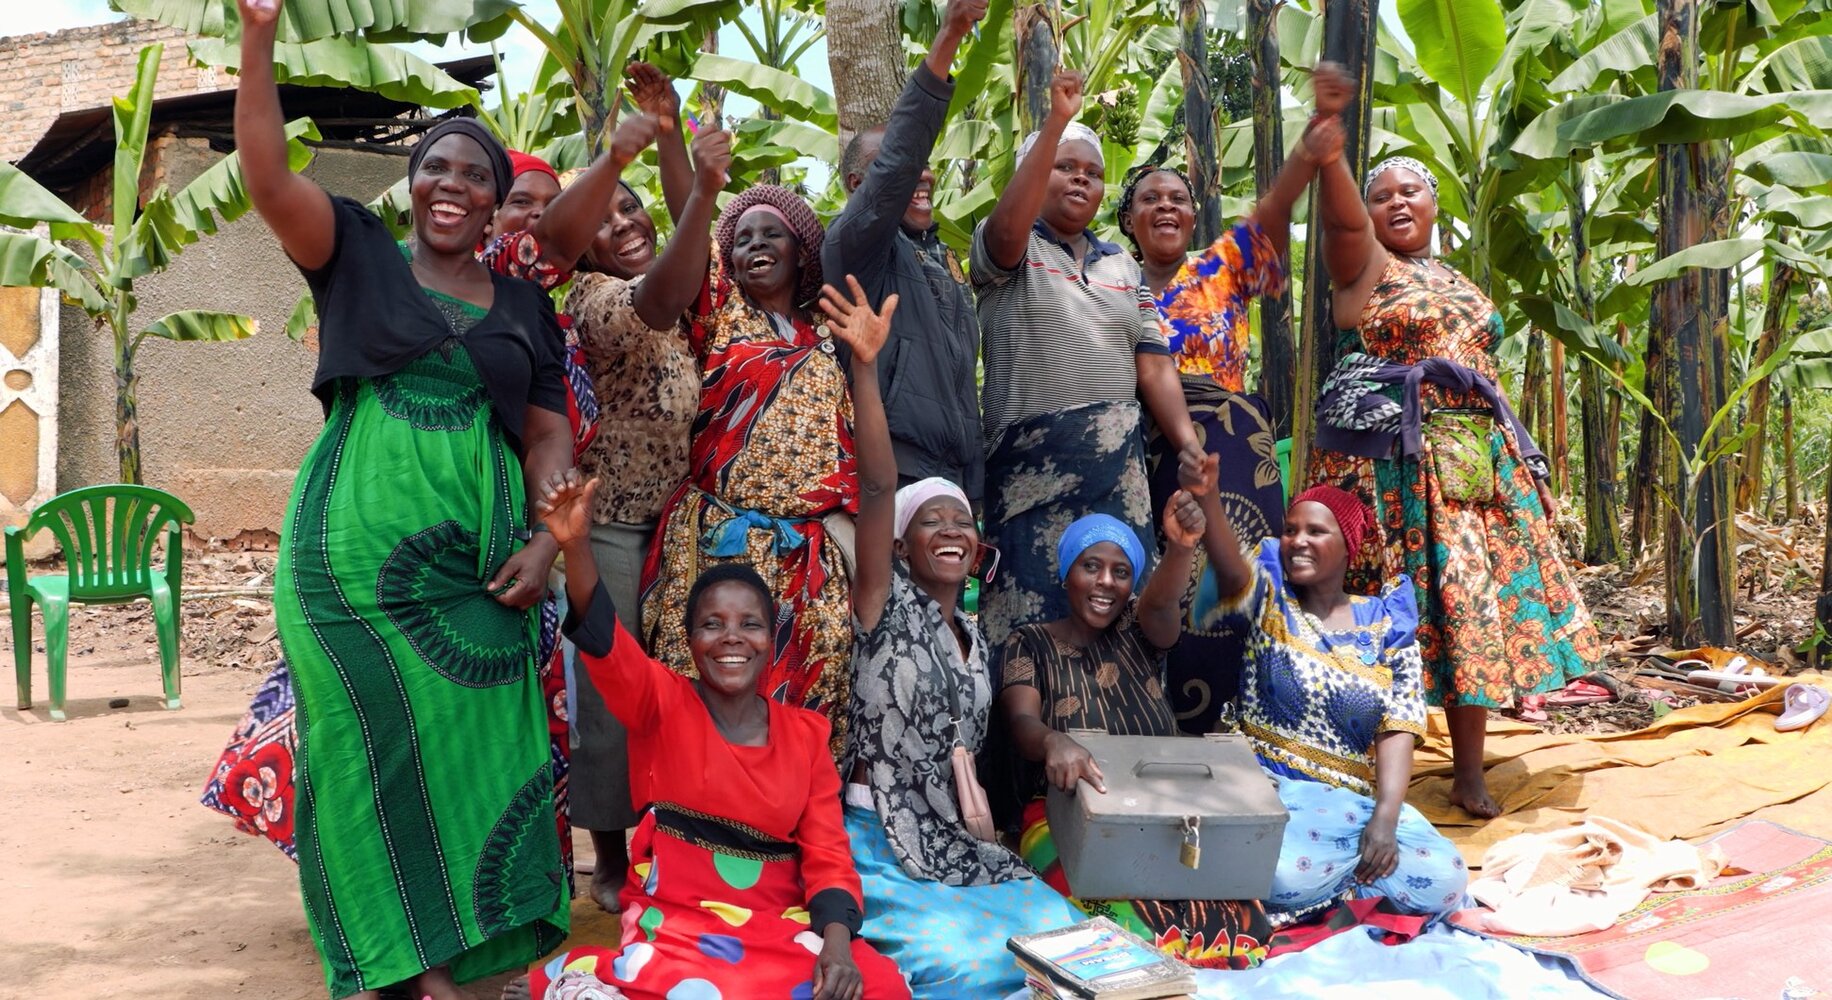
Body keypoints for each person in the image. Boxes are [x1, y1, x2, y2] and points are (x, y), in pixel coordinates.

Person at [236, 0, 573, 995]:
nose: (452, 184)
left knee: (484, 752)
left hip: (482, 572)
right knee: (361, 752)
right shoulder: (353, 253)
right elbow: (265, 176)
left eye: (475, 174)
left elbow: (547, 432)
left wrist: (549, 541)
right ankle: (399, 967)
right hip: (349, 565)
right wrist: (258, 38)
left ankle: (459, 957)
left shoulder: (526, 308)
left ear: (497, 200)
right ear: (412, 184)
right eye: (436, 167)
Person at [523, 278, 912, 1000]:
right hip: (680, 919)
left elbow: (828, 857)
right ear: (689, 637)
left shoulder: (805, 737)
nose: (731, 640)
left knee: (884, 985)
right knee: (695, 986)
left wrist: (837, 949)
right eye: (712, 624)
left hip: (776, 922)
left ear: (771, 638)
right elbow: (604, 639)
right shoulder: (661, 702)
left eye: (748, 625)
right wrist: (574, 547)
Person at [1302, 64, 1602, 818]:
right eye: (1382, 196)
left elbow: (1483, 372)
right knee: (1374, 607)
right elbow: (1341, 228)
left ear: (1436, 205)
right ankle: (1349, 757)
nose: (1396, 203)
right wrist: (1332, 152)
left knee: (1469, 604)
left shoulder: (1455, 277)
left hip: (1471, 461)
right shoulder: (1366, 267)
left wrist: (1521, 461)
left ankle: (1469, 771)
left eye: (1411, 191)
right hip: (1390, 466)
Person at [836, 275, 1083, 995]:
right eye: (931, 522)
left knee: (1064, 941)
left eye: (962, 522)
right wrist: (866, 368)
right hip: (878, 840)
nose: (951, 530)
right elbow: (877, 488)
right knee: (970, 965)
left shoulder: (977, 637)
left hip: (950, 838)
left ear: (978, 550)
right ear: (901, 546)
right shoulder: (881, 606)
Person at [544, 65, 734, 916]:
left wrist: (670, 133)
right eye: (604, 217)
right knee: (613, 692)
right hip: (614, 526)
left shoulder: (687, 294)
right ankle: (611, 856)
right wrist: (702, 192)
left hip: (677, 524)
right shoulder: (593, 299)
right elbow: (661, 296)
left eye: (633, 210)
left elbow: (688, 263)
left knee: (677, 685)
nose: (623, 223)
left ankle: (676, 836)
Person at [1115, 114, 1346, 732]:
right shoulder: (1110, 282)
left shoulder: (1219, 268)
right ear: (1128, 220)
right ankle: (1161, 723)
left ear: (1194, 217)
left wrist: (1308, 152)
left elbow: (1272, 214)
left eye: (1177, 198)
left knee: (1241, 581)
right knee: (1161, 576)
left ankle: (1255, 722)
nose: (1166, 207)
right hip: (1149, 454)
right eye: (1149, 199)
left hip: (1236, 453)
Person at [971, 67, 1204, 647]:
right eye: (1064, 167)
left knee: (1119, 615)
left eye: (1093, 173)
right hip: (1028, 473)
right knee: (1027, 621)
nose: (1081, 179)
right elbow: (1008, 229)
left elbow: (1152, 361)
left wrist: (1188, 444)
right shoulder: (1007, 245)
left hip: (1116, 474)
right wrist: (1057, 121)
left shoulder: (1122, 266)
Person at [1183, 450, 1469, 917]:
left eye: (1316, 531)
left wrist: (1384, 819)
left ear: (1348, 545)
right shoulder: (1271, 596)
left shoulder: (1388, 623)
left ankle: (1328, 890)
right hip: (1266, 789)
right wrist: (1208, 496)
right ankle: (1344, 892)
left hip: (1349, 807)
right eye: (1290, 530)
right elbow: (1230, 569)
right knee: (1280, 871)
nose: (1298, 541)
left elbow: (1398, 727)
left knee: (1446, 876)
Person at [995, 506, 1273, 968]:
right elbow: (1021, 721)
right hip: (1062, 810)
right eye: (1091, 566)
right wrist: (1051, 741)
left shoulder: (1138, 630)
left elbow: (1161, 604)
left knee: (1232, 915)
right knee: (1118, 919)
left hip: (1160, 808)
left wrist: (1181, 547)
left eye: (1121, 572)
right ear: (1066, 573)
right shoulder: (1029, 642)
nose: (1106, 582)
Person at [640, 184, 860, 757]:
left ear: (802, 252)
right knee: (707, 693)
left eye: (771, 234)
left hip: (806, 555)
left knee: (810, 694)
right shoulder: (722, 312)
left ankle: (793, 811)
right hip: (720, 542)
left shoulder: (829, 335)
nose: (756, 245)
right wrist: (700, 173)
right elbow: (690, 221)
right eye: (741, 239)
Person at [824, 0, 988, 499]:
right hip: (895, 470)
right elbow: (899, 158)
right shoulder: (855, 245)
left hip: (960, 476)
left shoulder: (940, 257)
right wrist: (949, 36)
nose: (924, 174)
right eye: (901, 167)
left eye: (927, 164)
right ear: (859, 185)